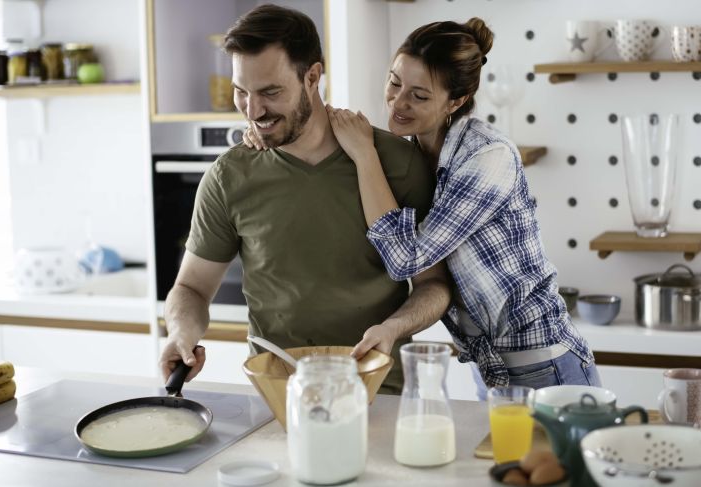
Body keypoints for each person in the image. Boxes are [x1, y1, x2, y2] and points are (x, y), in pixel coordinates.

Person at [247, 18, 599, 396]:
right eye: (394, 82)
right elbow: (313, 124)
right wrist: (266, 127)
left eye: (419, 95)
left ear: (457, 101)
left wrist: (365, 154)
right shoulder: (414, 154)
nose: (398, 102)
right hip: (491, 368)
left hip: (545, 365)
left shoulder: (487, 157)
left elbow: (407, 260)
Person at [159, 4, 451, 394]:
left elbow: (434, 285)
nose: (253, 110)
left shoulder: (397, 164)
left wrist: (394, 328)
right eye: (241, 92)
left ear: (313, 76)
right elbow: (191, 287)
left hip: (380, 390)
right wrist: (179, 332)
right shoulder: (229, 177)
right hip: (277, 393)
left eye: (271, 92)